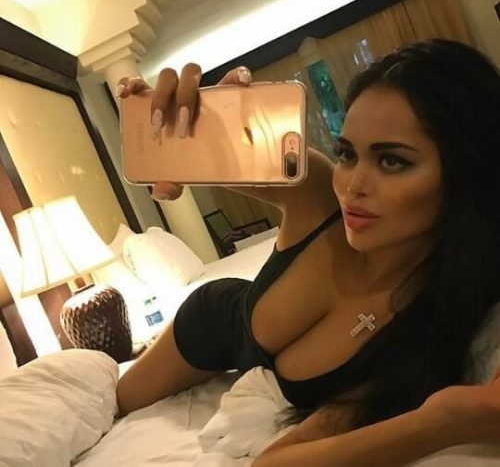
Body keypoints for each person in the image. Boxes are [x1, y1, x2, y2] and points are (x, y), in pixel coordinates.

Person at [116, 39, 500, 466]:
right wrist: (189, 120)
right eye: (347, 154)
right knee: (120, 399)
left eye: (392, 161)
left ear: (468, 174)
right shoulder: (319, 189)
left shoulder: (428, 327)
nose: (352, 185)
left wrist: (445, 420)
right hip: (216, 322)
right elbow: (206, 152)